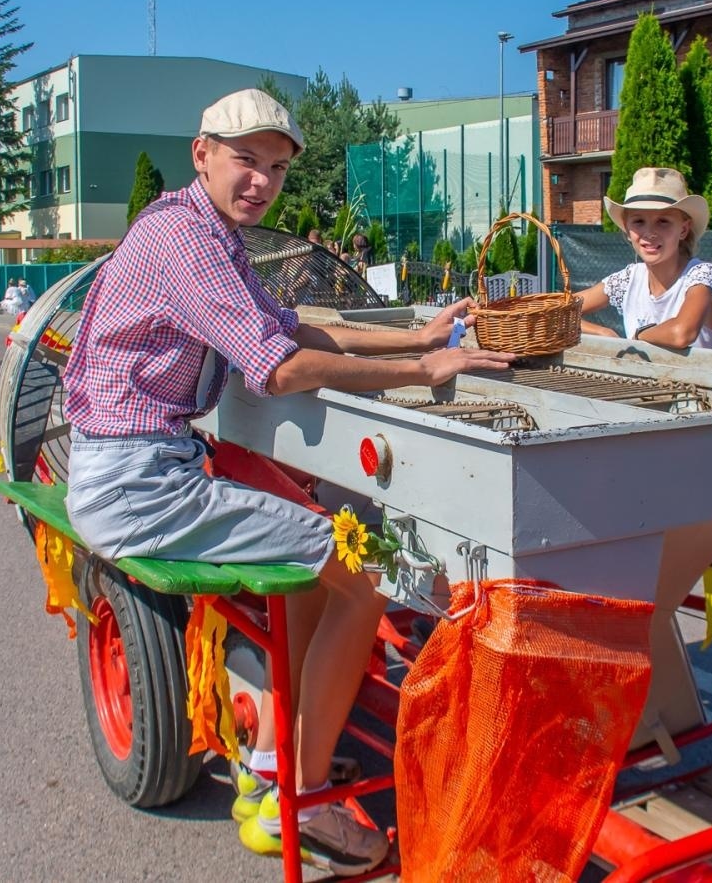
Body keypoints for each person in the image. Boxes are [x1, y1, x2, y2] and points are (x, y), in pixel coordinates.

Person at [61, 89, 512, 876]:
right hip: (141, 484)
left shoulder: (205, 231)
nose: (261, 182)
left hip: (142, 467)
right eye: (246, 160)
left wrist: (419, 330)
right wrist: (422, 368)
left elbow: (291, 323)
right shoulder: (183, 239)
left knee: (312, 563)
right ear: (201, 153)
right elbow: (277, 366)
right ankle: (301, 801)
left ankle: (277, 765)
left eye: (274, 167)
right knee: (367, 575)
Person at [574, 166, 712, 351]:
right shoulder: (628, 279)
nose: (649, 233)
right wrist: (603, 333)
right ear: (627, 229)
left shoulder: (702, 274)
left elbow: (681, 333)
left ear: (683, 229)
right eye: (639, 222)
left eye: (663, 221)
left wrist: (638, 335)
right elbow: (552, 312)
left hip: (711, 380)